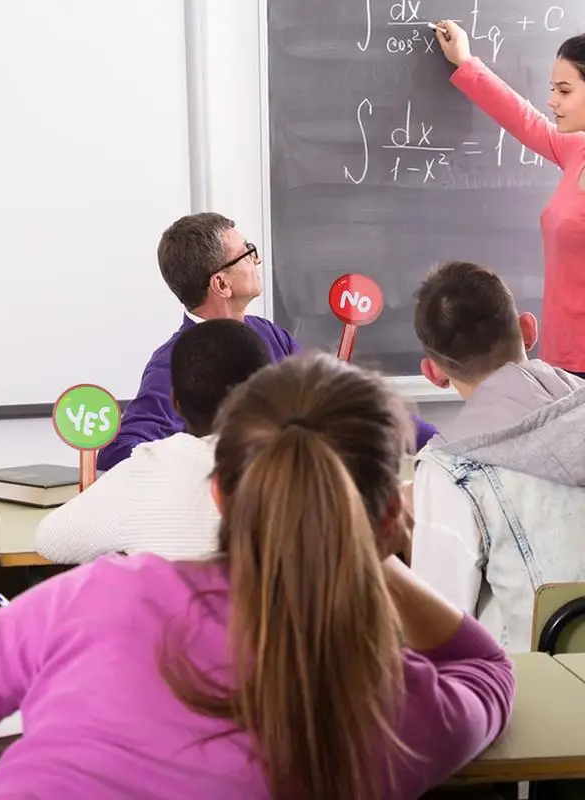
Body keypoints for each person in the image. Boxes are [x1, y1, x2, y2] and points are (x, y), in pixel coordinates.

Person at [0, 354, 514, 800]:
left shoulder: (99, 597)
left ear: (219, 496)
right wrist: (367, 552)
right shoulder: (388, 700)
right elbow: (485, 671)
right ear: (394, 513)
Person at [97, 212, 438, 470]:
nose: (256, 260)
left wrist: (435, 446)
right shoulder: (172, 362)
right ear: (221, 284)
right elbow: (119, 453)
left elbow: (343, 395)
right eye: (247, 253)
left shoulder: (269, 334)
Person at [411, 261, 585, 652]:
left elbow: (437, 629)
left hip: (539, 699)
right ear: (528, 328)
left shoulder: (449, 470)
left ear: (434, 372)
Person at [36, 319, 270, 563]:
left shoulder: (148, 469)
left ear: (175, 402)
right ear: (267, 395)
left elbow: (49, 540)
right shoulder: (299, 461)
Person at [435, 22, 585, 378]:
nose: (552, 100)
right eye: (553, 89)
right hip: (562, 363)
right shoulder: (578, 150)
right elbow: (528, 123)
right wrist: (466, 62)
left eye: (564, 91)